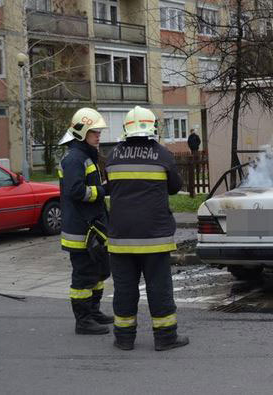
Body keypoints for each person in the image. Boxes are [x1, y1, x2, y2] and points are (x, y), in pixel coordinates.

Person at [105, 105, 189, 351]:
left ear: (126, 129)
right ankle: (165, 338)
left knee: (124, 289)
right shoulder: (163, 155)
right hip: (155, 236)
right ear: (152, 128)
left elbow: (111, 186)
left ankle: (124, 338)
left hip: (121, 238)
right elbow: (175, 187)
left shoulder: (113, 156)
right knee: (158, 287)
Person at [58, 107, 113, 335]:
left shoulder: (85, 156)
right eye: (94, 132)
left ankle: (93, 311)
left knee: (99, 272)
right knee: (83, 276)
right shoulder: (74, 159)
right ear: (81, 133)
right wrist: (102, 191)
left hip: (92, 228)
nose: (98, 136)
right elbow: (76, 191)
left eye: (99, 132)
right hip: (79, 230)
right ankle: (83, 321)